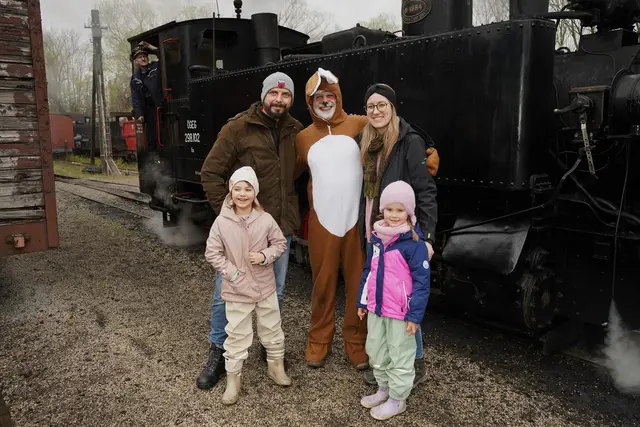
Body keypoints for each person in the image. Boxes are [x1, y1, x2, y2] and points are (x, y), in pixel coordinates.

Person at [197, 72, 303, 389]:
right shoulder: (238, 128)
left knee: (275, 292)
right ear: (264, 95)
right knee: (227, 293)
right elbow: (210, 172)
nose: (279, 100)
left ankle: (270, 348)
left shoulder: (295, 130)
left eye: (285, 95)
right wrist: (229, 216)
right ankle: (219, 351)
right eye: (274, 94)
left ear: (291, 99)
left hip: (277, 227)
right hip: (241, 231)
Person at [356, 83, 439, 387]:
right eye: (370, 106)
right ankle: (389, 363)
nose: (376, 111)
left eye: (382, 105)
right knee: (385, 298)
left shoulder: (409, 141)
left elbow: (425, 191)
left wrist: (427, 237)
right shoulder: (366, 140)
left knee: (403, 299)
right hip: (376, 232)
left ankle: (415, 363)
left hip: (402, 237)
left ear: (392, 108)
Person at [295, 68, 370, 369]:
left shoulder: (359, 124)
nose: (324, 101)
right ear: (309, 103)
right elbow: (287, 171)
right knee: (322, 283)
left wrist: (423, 152)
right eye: (318, 97)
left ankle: (356, 342)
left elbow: (394, 128)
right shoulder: (303, 138)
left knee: (358, 283)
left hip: (356, 221)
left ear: (338, 97)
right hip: (322, 223)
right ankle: (318, 340)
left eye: (329, 95)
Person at [204, 166, 291, 405]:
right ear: (231, 192)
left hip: (264, 286)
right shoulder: (222, 222)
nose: (242, 194)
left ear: (255, 193)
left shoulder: (265, 219)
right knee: (236, 333)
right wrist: (232, 273)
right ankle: (233, 380)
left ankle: (276, 368)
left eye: (248, 189)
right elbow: (212, 253)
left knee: (272, 327)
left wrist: (264, 256)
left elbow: (280, 243)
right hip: (237, 288)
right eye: (238, 189)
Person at [356, 181, 431, 420]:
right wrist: (362, 302)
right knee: (376, 350)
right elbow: (368, 272)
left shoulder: (414, 245)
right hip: (377, 308)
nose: (394, 215)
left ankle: (398, 399)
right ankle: (384, 388)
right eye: (389, 209)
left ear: (409, 212)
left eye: (400, 210)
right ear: (382, 210)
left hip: (400, 312)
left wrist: (414, 316)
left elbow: (421, 283)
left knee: (400, 354)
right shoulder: (377, 239)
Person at [129, 41, 164, 149]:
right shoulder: (135, 78)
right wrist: (139, 114)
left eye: (145, 56)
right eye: (140, 57)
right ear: (135, 61)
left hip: (161, 106)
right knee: (152, 134)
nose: (143, 59)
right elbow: (135, 98)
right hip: (148, 109)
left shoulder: (156, 67)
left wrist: (150, 46)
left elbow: (164, 55)